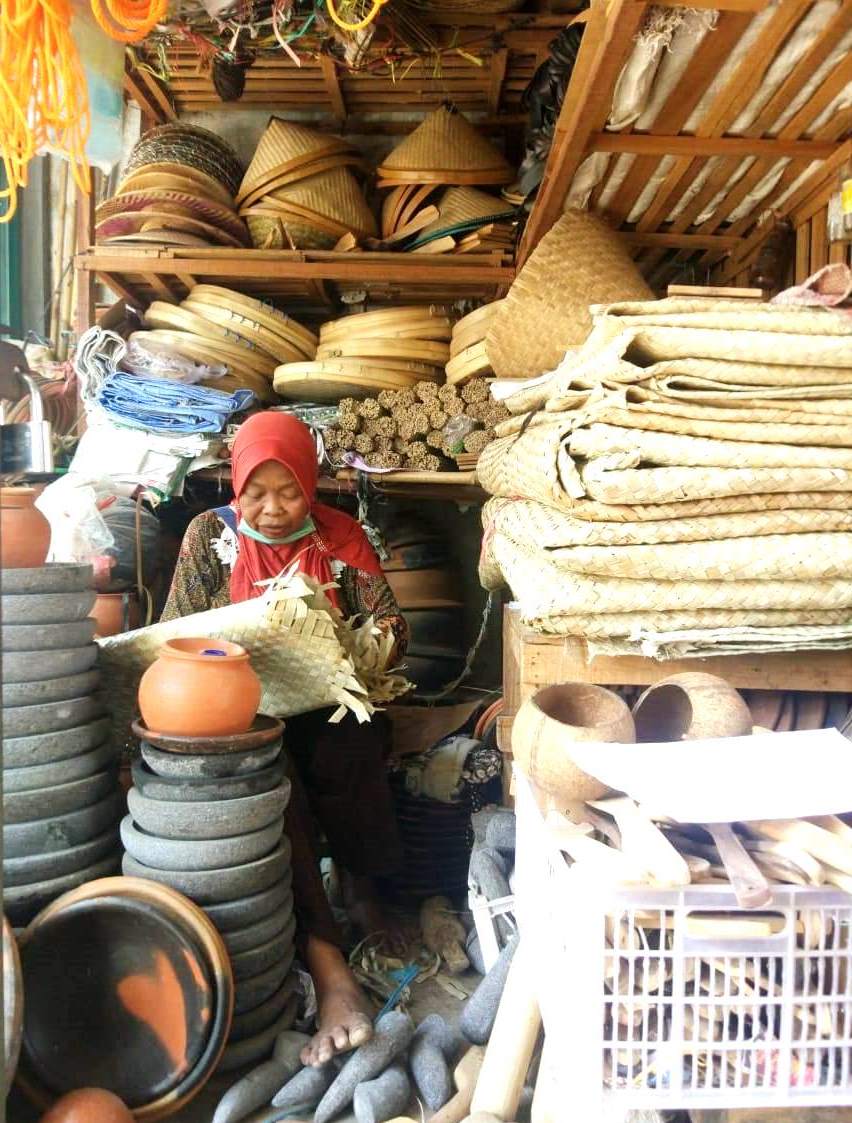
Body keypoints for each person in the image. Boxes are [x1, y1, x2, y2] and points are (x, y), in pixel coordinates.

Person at [160, 411, 407, 1066]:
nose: (272, 509)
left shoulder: (340, 536)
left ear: (310, 482)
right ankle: (327, 960)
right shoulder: (209, 536)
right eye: (255, 492)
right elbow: (174, 636)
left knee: (352, 740)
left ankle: (365, 890)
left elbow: (389, 623)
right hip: (241, 707)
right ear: (234, 486)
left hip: (328, 697)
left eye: (288, 491)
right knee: (272, 776)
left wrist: (360, 644)